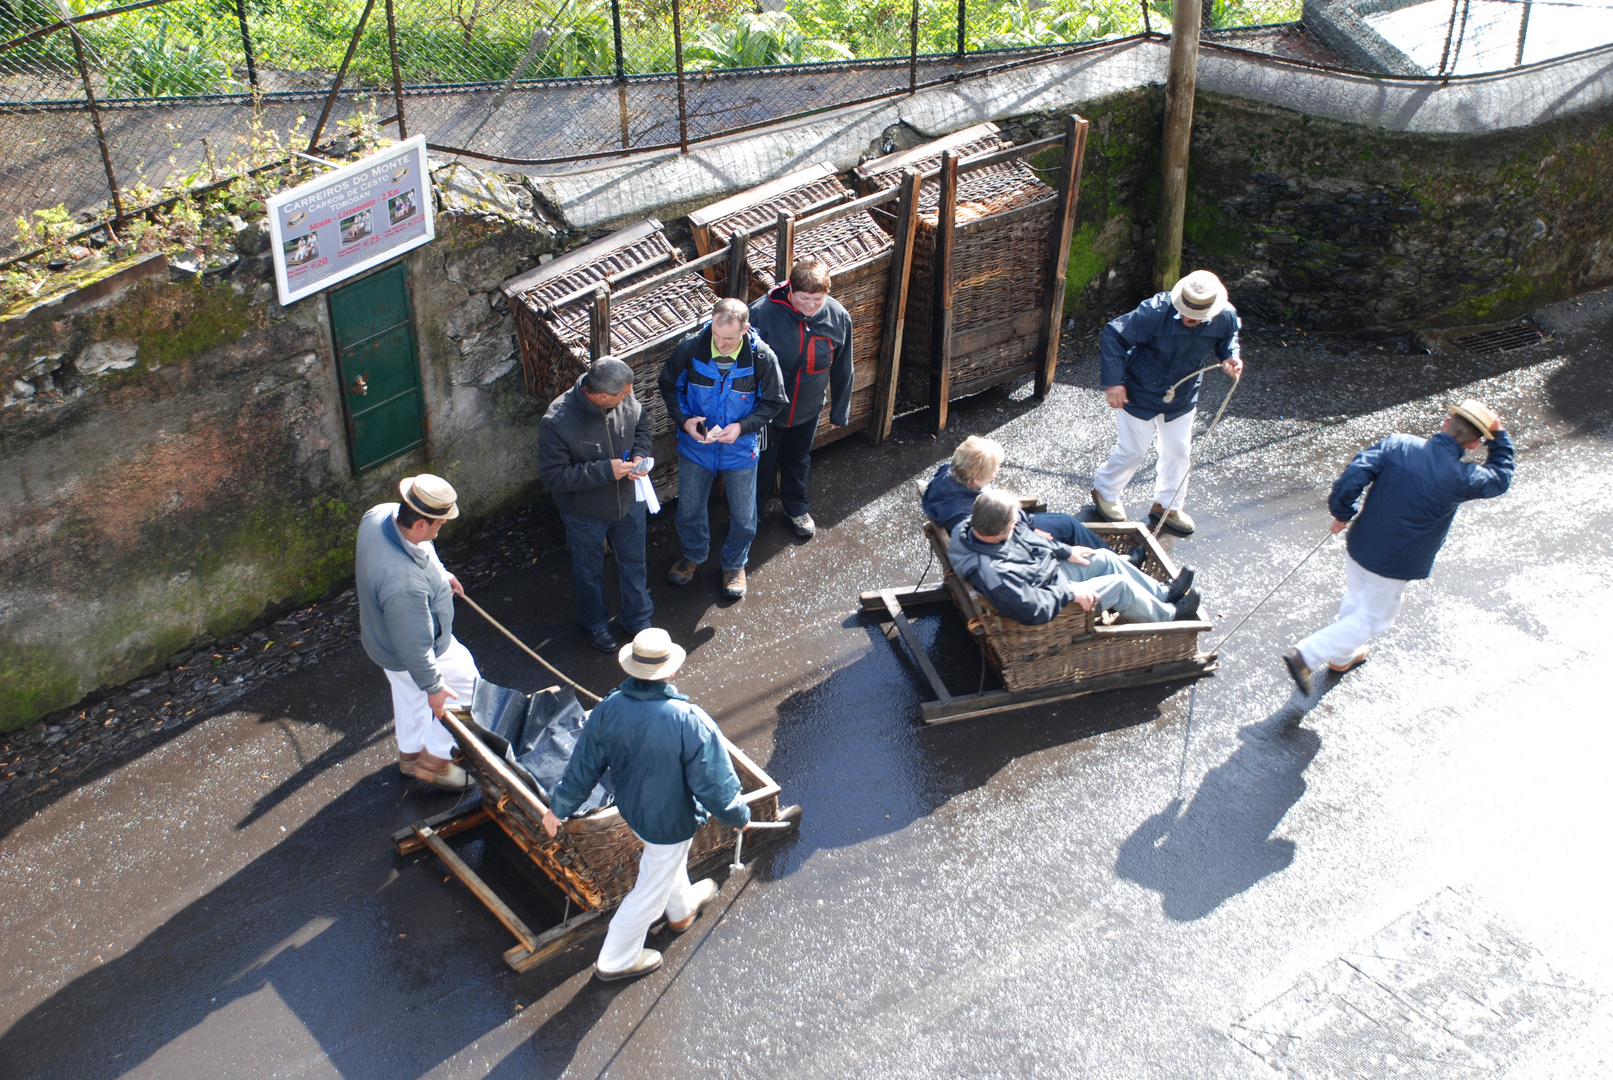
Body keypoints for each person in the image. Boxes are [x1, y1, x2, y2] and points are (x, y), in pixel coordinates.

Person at [542, 628, 753, 982]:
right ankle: (616, 961)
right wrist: (739, 816)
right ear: (670, 671)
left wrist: (558, 807)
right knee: (648, 893)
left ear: (631, 669)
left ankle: (682, 909)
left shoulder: (608, 709)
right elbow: (715, 783)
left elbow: (583, 768)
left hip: (635, 811)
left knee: (664, 862)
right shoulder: (689, 720)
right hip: (671, 820)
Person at [1283, 399, 1513, 694]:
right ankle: (1306, 655)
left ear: (1445, 424)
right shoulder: (1463, 478)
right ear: (1473, 446)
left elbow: (1355, 473)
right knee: (1374, 619)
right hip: (1394, 564)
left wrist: (1342, 512)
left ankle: (1341, 657)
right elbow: (1502, 477)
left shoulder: (1397, 445)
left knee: (1357, 598)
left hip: (1361, 543)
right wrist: (1500, 434)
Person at [1092, 269, 1243, 535]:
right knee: (1133, 450)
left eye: (1195, 317)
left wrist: (1230, 355)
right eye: (1185, 312)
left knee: (1179, 452)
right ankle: (1105, 491)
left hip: (1182, 395)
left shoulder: (1225, 315)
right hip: (1139, 390)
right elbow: (1114, 334)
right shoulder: (1153, 312)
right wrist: (1115, 382)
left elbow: (1228, 337)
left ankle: (1168, 505)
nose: (1188, 318)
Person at [658, 298, 787, 600]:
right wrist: (685, 420)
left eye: (729, 338)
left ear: (746, 329)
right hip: (696, 447)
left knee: (744, 514)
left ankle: (734, 564)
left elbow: (774, 401)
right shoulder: (689, 348)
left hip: (740, 448)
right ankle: (693, 554)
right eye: (717, 335)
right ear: (712, 322)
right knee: (688, 509)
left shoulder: (762, 357)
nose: (721, 343)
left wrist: (742, 427)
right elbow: (669, 386)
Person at [355, 474, 477, 790]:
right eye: (438, 524)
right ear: (421, 523)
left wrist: (439, 574)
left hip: (383, 644)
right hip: (419, 647)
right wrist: (435, 687)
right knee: (470, 692)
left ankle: (410, 756)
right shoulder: (404, 583)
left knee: (409, 697)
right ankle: (434, 762)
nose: (441, 528)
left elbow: (419, 552)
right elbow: (415, 646)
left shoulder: (379, 515)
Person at [948, 489, 1200, 626]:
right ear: (999, 531)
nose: (1017, 526)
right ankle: (1169, 616)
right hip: (1053, 597)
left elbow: (1024, 534)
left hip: (1049, 574)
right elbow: (1030, 608)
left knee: (1104, 557)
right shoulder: (990, 573)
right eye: (1012, 524)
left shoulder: (977, 526)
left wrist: (1065, 551)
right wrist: (1069, 593)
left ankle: (1163, 593)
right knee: (1120, 586)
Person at [537, 356, 654, 653]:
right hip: (584, 514)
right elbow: (554, 477)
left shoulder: (623, 395)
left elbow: (641, 425)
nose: (630, 396)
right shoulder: (557, 422)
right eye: (624, 394)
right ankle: (596, 624)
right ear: (603, 396)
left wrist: (640, 455)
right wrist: (605, 471)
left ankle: (637, 619)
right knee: (588, 572)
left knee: (634, 563)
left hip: (628, 502)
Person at [749, 256, 854, 539]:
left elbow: (844, 367)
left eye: (817, 299)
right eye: (804, 298)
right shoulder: (760, 313)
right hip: (766, 411)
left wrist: (839, 412)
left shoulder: (839, 317)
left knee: (798, 459)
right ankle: (751, 515)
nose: (810, 306)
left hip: (808, 408)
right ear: (790, 289)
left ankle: (796, 507)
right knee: (762, 462)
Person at [924, 434, 1111, 549]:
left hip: (1008, 520)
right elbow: (995, 537)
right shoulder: (967, 513)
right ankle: (1115, 561)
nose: (996, 472)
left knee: (1065, 523)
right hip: (1012, 530)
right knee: (1068, 525)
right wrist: (1033, 535)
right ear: (976, 480)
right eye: (993, 470)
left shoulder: (948, 471)